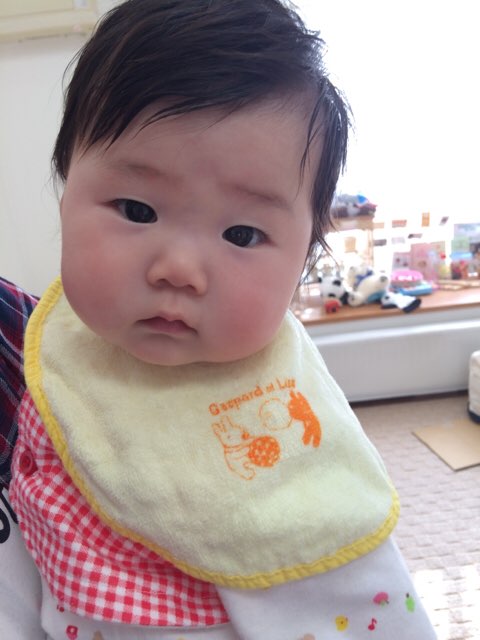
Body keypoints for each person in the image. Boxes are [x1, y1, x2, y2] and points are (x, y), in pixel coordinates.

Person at [5, 0, 436, 638]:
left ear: (304, 258)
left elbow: (366, 593)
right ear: (66, 191)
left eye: (242, 233)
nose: (179, 269)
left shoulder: (281, 397)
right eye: (137, 210)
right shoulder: (51, 358)